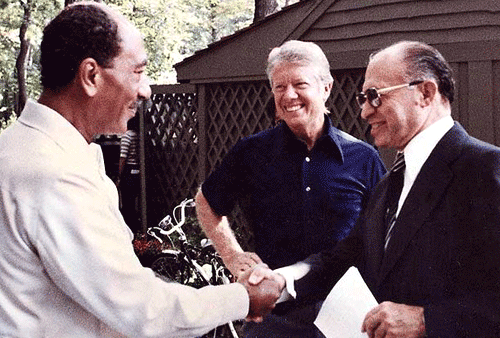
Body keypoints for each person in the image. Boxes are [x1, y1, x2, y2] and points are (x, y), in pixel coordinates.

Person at [0, 2, 281, 337]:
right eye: (137, 72)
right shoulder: (52, 171)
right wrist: (242, 299)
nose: (146, 90)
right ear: (91, 76)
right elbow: (142, 311)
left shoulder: (31, 149)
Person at [268, 40, 500, 337]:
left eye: (375, 96)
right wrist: (281, 282)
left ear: (425, 93)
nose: (365, 112)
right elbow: (343, 260)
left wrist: (427, 320)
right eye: (363, 98)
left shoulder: (485, 170)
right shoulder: (389, 184)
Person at [195, 40, 386, 337]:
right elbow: (206, 201)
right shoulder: (252, 152)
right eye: (279, 87)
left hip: (346, 317)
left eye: (299, 84)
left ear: (326, 88)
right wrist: (232, 254)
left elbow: (384, 231)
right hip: (273, 317)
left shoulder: (363, 158)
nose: (289, 95)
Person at [118, 115, 141, 232]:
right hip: (138, 169)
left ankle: (129, 226)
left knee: (127, 201)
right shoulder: (139, 135)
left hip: (129, 170)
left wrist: (119, 175)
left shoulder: (127, 136)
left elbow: (123, 157)